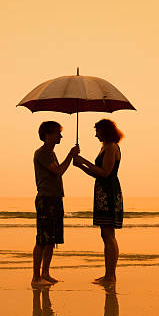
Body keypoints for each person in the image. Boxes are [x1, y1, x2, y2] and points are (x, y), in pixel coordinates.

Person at [73, 119, 124, 284]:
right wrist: (80, 166)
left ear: (105, 131)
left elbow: (105, 172)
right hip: (103, 191)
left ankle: (111, 276)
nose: (95, 134)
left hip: (108, 193)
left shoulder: (111, 147)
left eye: (97, 131)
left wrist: (84, 161)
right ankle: (109, 274)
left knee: (108, 235)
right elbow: (98, 174)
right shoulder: (105, 147)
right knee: (106, 234)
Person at [32, 121, 79, 287]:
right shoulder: (43, 152)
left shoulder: (50, 153)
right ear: (47, 134)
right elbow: (58, 171)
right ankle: (36, 277)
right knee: (42, 239)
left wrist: (70, 157)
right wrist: (70, 155)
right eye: (57, 133)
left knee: (51, 239)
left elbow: (58, 170)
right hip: (46, 199)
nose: (60, 136)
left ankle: (45, 273)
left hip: (55, 198)